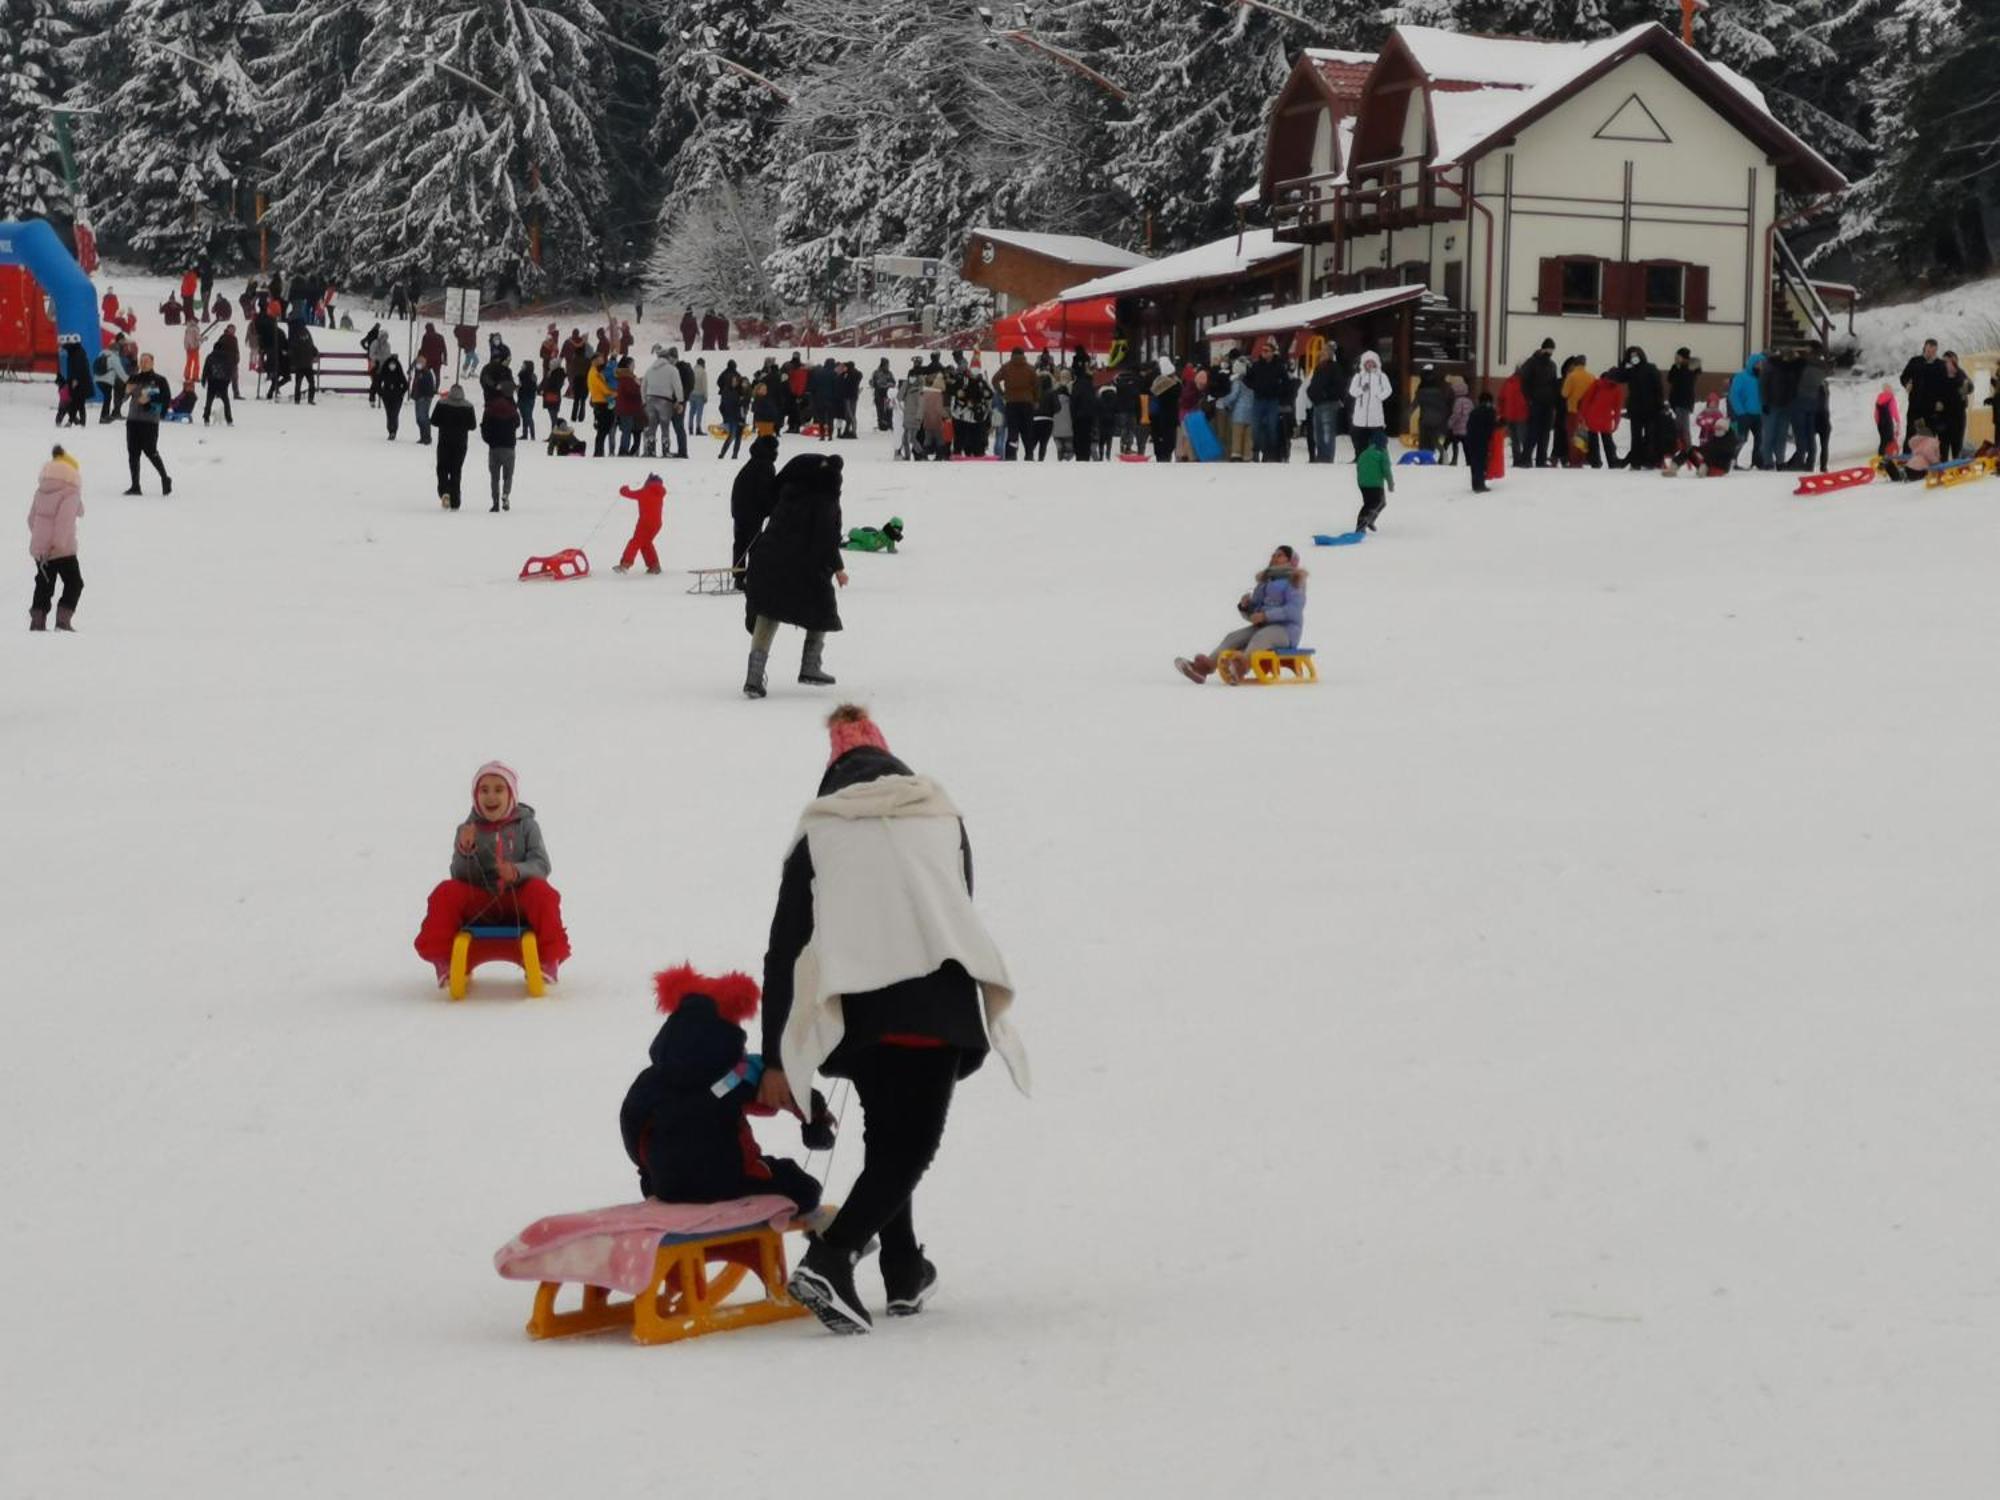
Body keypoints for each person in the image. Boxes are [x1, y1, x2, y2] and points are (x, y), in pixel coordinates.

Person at [759, 705, 1027, 1333]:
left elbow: (786, 943)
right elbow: (958, 900)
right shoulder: (939, 815)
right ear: (892, 761)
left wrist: (777, 1053)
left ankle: (904, 1270)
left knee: (887, 1142)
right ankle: (832, 1257)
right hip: (937, 996)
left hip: (862, 1008)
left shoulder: (820, 830)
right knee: (910, 1148)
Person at [620, 964, 831, 1210]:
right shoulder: (735, 1075)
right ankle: (825, 1238)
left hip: (670, 1187)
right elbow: (789, 1093)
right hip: (732, 1181)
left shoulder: (650, 1081)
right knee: (803, 1187)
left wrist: (649, 1174)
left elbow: (632, 1127)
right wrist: (816, 1121)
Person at [413, 761, 570, 985]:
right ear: (475, 796)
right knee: (446, 892)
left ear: (511, 795)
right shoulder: (467, 830)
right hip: (481, 901)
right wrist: (466, 851)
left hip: (517, 902)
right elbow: (458, 874)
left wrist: (517, 871)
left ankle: (549, 958)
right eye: (484, 790)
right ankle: (444, 959)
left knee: (542, 892)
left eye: (499, 789)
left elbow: (541, 864)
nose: (491, 797)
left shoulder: (527, 826)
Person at [740, 453, 846, 699]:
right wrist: (838, 568)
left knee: (768, 612)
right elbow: (827, 537)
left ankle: (753, 677)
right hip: (803, 566)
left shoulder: (788, 496)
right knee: (822, 610)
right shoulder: (825, 501)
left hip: (768, 561)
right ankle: (810, 665)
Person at [1174, 546, 1308, 686]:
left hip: (1286, 630)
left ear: (1290, 560)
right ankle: (1203, 669)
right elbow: (1255, 609)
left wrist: (1266, 616)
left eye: (1280, 555)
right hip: (1263, 626)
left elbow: (1294, 610)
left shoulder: (1295, 580)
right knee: (1233, 637)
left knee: (1262, 637)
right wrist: (1246, 607)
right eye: (1273, 555)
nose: (1274, 557)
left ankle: (1240, 667)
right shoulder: (1266, 581)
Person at [28, 445, 84, 632]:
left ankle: (37, 623)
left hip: (41, 549)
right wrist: (58, 544)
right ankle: (63, 621)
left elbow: (31, 519)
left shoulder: (42, 489)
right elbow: (65, 521)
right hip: (61, 549)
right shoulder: (70, 492)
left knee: (44, 584)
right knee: (74, 582)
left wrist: (40, 541)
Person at [731, 433, 780, 580]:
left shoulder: (752, 463)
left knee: (740, 543)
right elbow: (764, 491)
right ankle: (754, 577)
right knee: (755, 545)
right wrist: (770, 509)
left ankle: (739, 575)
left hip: (739, 509)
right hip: (752, 512)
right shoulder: (765, 466)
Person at [123, 354, 173, 496]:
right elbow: (123, 399)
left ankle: (165, 478)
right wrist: (126, 392)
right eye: (141, 361)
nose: (143, 363)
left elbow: (165, 401)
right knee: (133, 453)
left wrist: (149, 404)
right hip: (132, 421)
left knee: (150, 451)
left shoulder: (159, 380)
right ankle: (135, 485)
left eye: (146, 361)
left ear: (152, 363)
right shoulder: (134, 378)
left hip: (149, 422)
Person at [1517, 338, 1561, 466]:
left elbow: (1553, 383)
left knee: (1545, 432)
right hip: (1536, 402)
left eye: (1551, 349)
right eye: (1548, 349)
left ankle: (1541, 459)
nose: (1550, 352)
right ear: (1542, 348)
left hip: (1548, 403)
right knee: (1533, 431)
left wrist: (1554, 399)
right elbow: (1524, 382)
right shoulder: (1532, 362)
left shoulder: (1552, 365)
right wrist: (1529, 398)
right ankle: (1526, 458)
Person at [432, 384, 476, 509]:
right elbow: (472, 426)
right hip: (460, 443)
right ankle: (455, 500)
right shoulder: (468, 406)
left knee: (442, 468)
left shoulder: (442, 404)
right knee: (456, 470)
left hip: (444, 441)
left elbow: (434, 421)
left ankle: (444, 491)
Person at [614, 472, 666, 574]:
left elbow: (628, 493)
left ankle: (625, 564)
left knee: (635, 542)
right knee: (646, 544)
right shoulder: (660, 493)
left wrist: (624, 489)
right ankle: (654, 566)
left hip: (645, 523)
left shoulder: (645, 491)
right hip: (657, 524)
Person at [641, 346, 682, 459]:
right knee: (665, 426)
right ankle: (665, 450)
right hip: (665, 400)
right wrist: (680, 401)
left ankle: (650, 450)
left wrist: (644, 400)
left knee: (652, 426)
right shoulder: (672, 369)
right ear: (668, 357)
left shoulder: (649, 369)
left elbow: (643, 386)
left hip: (650, 399)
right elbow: (677, 386)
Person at [1347, 352, 1391, 458]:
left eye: (1372, 362)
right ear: (1364, 363)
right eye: (1368, 362)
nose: (1370, 365)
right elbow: (1352, 391)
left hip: (1375, 416)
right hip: (1360, 416)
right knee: (1359, 439)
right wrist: (1362, 390)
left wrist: (1379, 397)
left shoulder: (1381, 376)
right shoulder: (1359, 377)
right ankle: (1359, 457)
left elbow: (1388, 390)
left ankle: (1377, 458)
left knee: (1377, 440)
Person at [482, 388, 518, 511]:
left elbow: (484, 426)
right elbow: (517, 423)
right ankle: (506, 494)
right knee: (508, 475)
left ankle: (495, 502)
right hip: (509, 446)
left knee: (494, 477)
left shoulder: (490, 408)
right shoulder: (512, 409)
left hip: (494, 447)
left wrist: (488, 440)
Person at [1729, 355, 1764, 469]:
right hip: (1744, 414)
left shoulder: (1761, 379)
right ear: (1751, 364)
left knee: (1760, 439)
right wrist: (1740, 412)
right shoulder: (1741, 377)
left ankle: (1757, 461)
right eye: (1758, 364)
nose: (1760, 366)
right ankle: (1731, 461)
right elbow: (1734, 395)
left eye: (1762, 364)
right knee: (1741, 439)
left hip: (1758, 414)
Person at [1355, 438, 1394, 533]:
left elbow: (1359, 466)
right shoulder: (1382, 453)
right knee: (1378, 503)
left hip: (1362, 484)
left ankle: (1366, 522)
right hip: (1375, 484)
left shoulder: (1364, 453)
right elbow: (1386, 469)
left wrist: (1361, 480)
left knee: (1369, 504)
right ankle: (1362, 525)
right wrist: (1390, 483)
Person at [1466, 390, 1498, 493]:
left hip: (1471, 439)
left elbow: (1469, 425)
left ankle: (1475, 484)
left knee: (1474, 463)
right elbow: (1492, 425)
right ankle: (1480, 485)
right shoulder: (1490, 411)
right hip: (1482, 440)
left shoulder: (1474, 411)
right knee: (1481, 462)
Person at [614, 357, 645, 457]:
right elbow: (631, 391)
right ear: (628, 366)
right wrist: (640, 387)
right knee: (627, 431)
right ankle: (623, 450)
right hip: (627, 409)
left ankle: (627, 450)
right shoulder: (626, 378)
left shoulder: (627, 377)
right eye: (633, 364)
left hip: (628, 408)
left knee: (629, 431)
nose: (634, 366)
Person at [201, 339, 235, 427]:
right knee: (226, 401)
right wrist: (228, 380)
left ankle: (206, 418)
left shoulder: (210, 357)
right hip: (223, 383)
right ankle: (229, 419)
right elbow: (230, 370)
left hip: (212, 382)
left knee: (209, 400)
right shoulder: (227, 357)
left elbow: (206, 369)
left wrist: (204, 380)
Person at [1445, 376, 1472, 466]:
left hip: (1457, 429)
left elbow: (1456, 414)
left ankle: (1454, 459)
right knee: (1466, 447)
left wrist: (1450, 423)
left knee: (1454, 445)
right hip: (1467, 429)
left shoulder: (1458, 401)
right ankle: (1469, 461)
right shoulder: (1469, 401)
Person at [1874, 381, 1901, 458]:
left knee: (1883, 441)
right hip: (1888, 422)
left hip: (1880, 423)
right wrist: (1898, 421)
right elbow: (1894, 410)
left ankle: (1881, 457)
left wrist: (1878, 422)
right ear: (1889, 389)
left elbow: (1876, 413)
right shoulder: (1891, 397)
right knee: (1890, 440)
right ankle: (1890, 457)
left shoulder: (1879, 397)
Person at [516, 360, 539, 442]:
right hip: (522, 397)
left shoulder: (531, 376)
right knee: (524, 416)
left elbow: (530, 387)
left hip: (528, 398)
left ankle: (532, 435)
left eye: (524, 365)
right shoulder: (522, 375)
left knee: (528, 416)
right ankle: (525, 434)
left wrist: (519, 388)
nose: (522, 366)